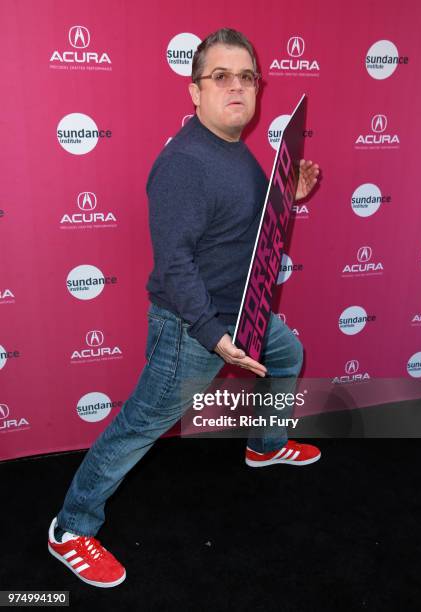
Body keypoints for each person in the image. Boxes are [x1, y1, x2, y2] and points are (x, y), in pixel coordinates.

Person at [47, 27, 321, 589]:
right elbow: (175, 266)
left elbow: (237, 225)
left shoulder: (232, 147)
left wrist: (284, 197)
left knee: (287, 356)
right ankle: (70, 529)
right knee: (140, 427)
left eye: (247, 76)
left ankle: (264, 448)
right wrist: (215, 337)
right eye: (221, 77)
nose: (237, 87)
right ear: (195, 91)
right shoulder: (186, 163)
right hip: (194, 326)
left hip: (245, 310)